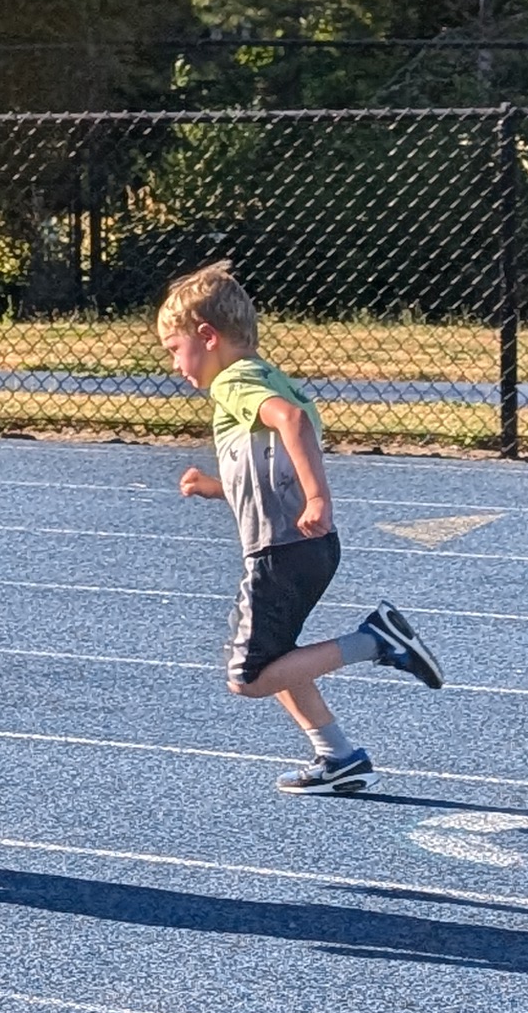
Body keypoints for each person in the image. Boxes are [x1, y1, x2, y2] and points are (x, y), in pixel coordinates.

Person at [159, 261, 445, 794]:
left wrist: (318, 497)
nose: (175, 364)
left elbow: (288, 421)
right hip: (304, 547)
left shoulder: (235, 383)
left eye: (174, 348)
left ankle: (375, 642)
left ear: (207, 336)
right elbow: (270, 471)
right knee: (278, 657)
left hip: (282, 551)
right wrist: (216, 486)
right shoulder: (263, 374)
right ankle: (337, 756)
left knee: (249, 680)